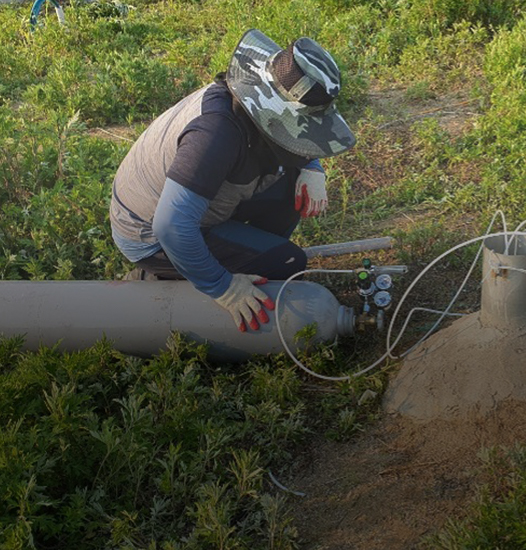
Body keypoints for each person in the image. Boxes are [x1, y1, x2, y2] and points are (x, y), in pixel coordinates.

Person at [110, 29, 356, 333]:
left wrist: (312, 166)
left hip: (193, 205)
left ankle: (238, 256)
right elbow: (170, 225)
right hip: (149, 234)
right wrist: (222, 286)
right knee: (287, 264)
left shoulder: (248, 98)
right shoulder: (215, 137)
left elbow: (295, 141)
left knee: (291, 182)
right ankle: (170, 274)